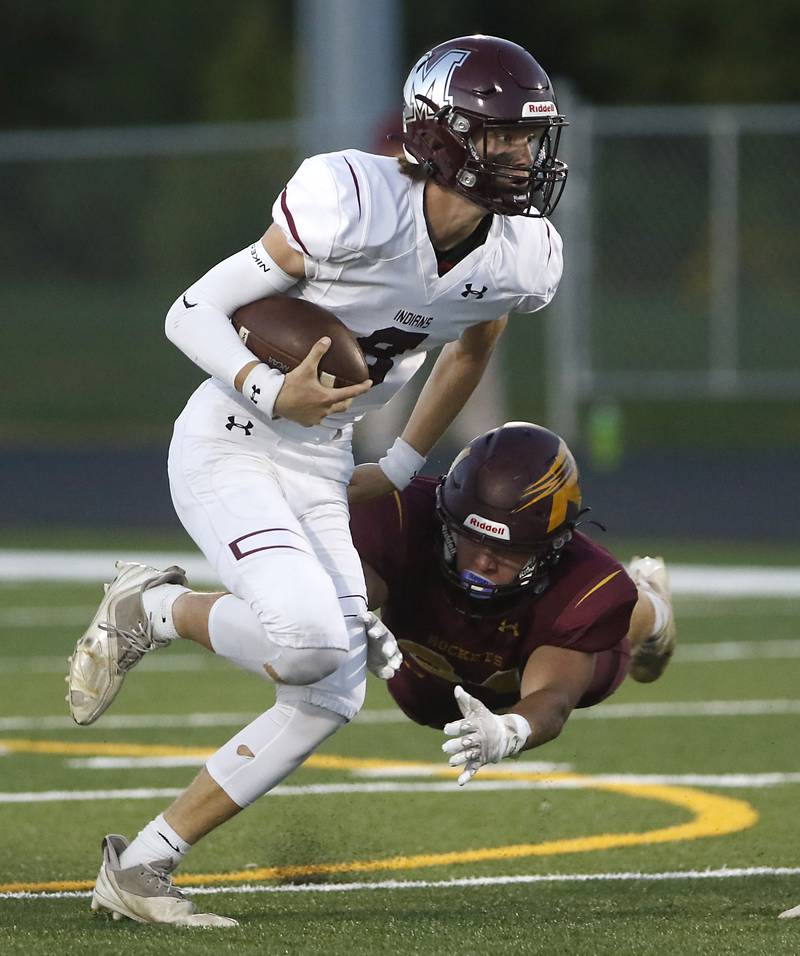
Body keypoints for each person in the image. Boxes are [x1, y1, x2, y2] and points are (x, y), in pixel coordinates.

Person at [68, 35, 571, 927]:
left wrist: (402, 464)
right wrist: (268, 387)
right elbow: (191, 310)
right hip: (232, 435)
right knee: (308, 643)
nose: (523, 157)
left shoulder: (520, 255)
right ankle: (150, 608)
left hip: (322, 458)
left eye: (529, 139)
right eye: (501, 138)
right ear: (445, 137)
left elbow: (474, 340)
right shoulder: (351, 201)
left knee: (330, 690)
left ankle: (142, 866)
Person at [348, 422, 676, 784]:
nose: (485, 562)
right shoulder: (399, 515)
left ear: (552, 545)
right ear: (446, 517)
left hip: (523, 665)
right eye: (471, 539)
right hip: (421, 675)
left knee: (616, 623)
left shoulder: (582, 582)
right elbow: (352, 584)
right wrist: (343, 614)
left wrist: (510, 730)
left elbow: (552, 698)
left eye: (508, 551)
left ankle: (653, 609)